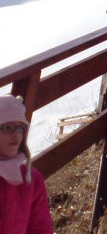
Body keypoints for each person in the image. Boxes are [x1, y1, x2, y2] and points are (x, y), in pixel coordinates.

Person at [0, 95, 53, 234]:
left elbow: (40, 228)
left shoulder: (31, 179)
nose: (16, 135)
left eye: (20, 128)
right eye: (8, 127)